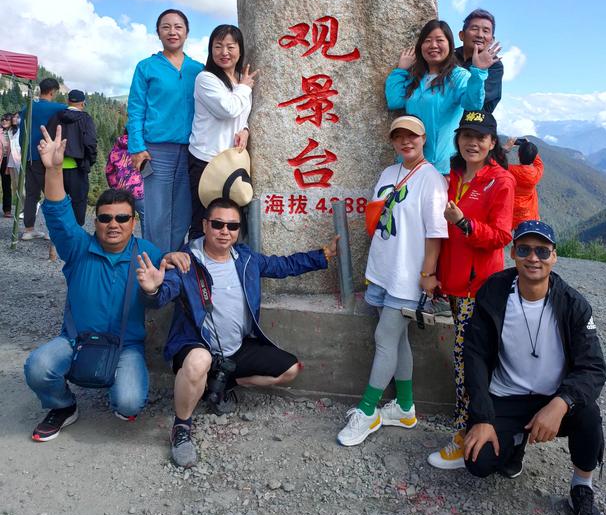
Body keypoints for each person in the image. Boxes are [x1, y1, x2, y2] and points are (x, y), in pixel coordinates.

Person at [136, 196, 338, 468]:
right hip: (196, 344)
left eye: (232, 226)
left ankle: (225, 383)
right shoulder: (185, 261)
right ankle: (182, 428)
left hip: (236, 347)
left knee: (289, 369)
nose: (224, 231)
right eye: (218, 224)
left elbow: (282, 266)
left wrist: (322, 255)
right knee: (199, 361)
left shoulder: (245, 258)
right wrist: (152, 288)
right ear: (205, 225)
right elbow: (161, 297)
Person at [23, 125, 190, 442]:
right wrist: (54, 169)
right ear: (95, 220)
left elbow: (161, 294)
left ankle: (115, 384)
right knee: (37, 366)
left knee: (129, 402)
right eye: (105, 218)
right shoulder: (77, 247)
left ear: (133, 222)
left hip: (125, 346)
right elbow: (58, 214)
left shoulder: (149, 253)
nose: (113, 224)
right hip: (75, 340)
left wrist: (158, 282)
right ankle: (62, 406)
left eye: (122, 218)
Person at [464, 220, 606, 515]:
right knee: (479, 463)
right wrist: (483, 417)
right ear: (513, 253)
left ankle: (582, 489)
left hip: (552, 399)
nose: (534, 258)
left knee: (588, 413)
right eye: (525, 249)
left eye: (542, 250)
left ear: (554, 257)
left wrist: (562, 402)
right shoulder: (494, 292)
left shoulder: (573, 305)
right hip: (506, 396)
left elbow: (593, 368)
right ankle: (514, 443)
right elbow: (474, 354)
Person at [336, 116, 449, 446]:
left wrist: (428, 275)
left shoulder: (432, 180)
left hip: (409, 276)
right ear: (392, 141)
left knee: (385, 336)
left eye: (412, 136)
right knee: (398, 341)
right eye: (399, 136)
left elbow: (435, 234)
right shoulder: (389, 173)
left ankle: (368, 411)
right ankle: (404, 406)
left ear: (423, 138)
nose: (406, 142)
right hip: (384, 270)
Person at [427, 110, 515, 469]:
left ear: (492, 143)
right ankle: (481, 428)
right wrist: (432, 274)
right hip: (452, 284)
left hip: (479, 288)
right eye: (467, 135)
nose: (472, 142)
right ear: (458, 139)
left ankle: (467, 435)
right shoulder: (449, 178)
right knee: (469, 358)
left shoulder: (501, 181)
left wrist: (464, 222)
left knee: (469, 362)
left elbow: (502, 236)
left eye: (480, 137)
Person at [127, 9, 204, 251]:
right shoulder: (146, 67)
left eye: (178, 26)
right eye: (166, 27)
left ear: (187, 32)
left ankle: (174, 270)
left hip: (192, 150)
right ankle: (154, 269)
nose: (173, 32)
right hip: (156, 151)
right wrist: (137, 147)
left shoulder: (198, 69)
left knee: (183, 213)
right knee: (157, 213)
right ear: (158, 32)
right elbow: (136, 109)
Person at [385, 19, 500, 174]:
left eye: (440, 40)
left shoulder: (458, 76)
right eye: (427, 41)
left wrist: (478, 72)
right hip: (410, 163)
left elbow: (473, 105)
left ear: (450, 45)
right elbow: (394, 101)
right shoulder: (416, 76)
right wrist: (401, 70)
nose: (433, 45)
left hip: (441, 167)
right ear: (420, 47)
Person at [188, 25, 257, 239]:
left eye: (230, 46)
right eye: (218, 46)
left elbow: (240, 115)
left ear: (240, 49)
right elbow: (228, 110)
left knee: (230, 222)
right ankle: (197, 270)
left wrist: (244, 129)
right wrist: (245, 87)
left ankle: (226, 268)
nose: (224, 52)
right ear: (211, 50)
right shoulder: (206, 79)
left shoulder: (239, 78)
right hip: (206, 161)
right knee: (206, 221)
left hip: (232, 163)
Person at [20, 77, 67, 239]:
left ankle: (28, 229)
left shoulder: (27, 107)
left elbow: (22, 133)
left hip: (28, 157)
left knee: (31, 195)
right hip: (45, 157)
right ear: (53, 92)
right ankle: (55, 232)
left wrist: (25, 154)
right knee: (51, 194)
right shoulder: (58, 108)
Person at [46, 89, 97, 226]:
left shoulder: (56, 117)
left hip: (56, 168)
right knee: (78, 203)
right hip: (78, 169)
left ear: (68, 101)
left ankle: (56, 238)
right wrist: (89, 161)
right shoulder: (86, 119)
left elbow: (48, 140)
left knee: (57, 202)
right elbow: (90, 143)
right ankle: (76, 234)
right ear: (83, 103)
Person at [454, 9, 504, 112]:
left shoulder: (494, 65)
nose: (480, 35)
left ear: (492, 39)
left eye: (485, 31)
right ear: (461, 35)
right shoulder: (449, 56)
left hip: (472, 122)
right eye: (474, 28)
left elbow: (479, 102)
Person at [105, 130, 145, 230]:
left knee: (122, 220)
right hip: (139, 192)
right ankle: (147, 243)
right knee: (146, 220)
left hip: (121, 193)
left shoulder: (115, 150)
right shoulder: (142, 149)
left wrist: (115, 188)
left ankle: (123, 243)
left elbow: (109, 172)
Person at [504, 137, 544, 227]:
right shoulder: (537, 172)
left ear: (518, 155)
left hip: (511, 210)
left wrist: (506, 147)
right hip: (529, 213)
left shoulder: (511, 170)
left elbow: (494, 162)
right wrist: (530, 148)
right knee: (525, 238)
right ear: (534, 157)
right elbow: (539, 163)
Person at [1, 113, 13, 216]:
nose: (4, 121)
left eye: (7, 119)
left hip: (7, 161)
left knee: (6, 185)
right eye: (2, 119)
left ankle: (7, 209)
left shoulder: (14, 132)